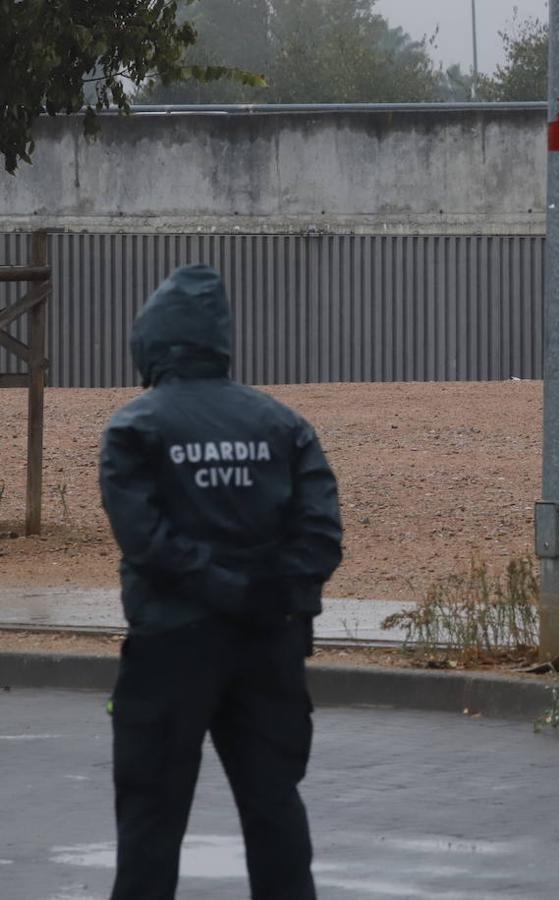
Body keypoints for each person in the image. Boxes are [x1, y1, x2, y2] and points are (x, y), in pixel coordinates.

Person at [99, 264, 343, 897]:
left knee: (150, 825)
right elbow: (320, 533)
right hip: (269, 647)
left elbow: (145, 540)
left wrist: (218, 586)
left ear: (149, 341)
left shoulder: (135, 428)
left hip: (169, 647)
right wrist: (280, 600)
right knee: (275, 812)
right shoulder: (284, 426)